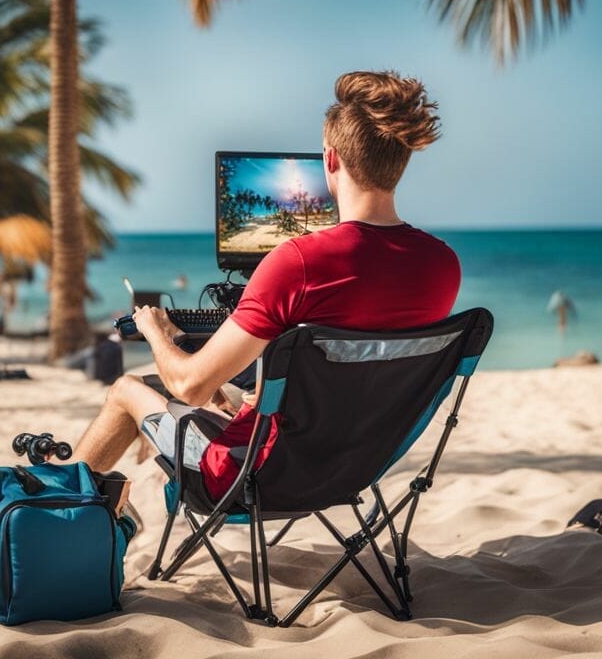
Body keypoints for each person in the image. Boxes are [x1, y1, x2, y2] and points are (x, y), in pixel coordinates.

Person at [64, 71, 462, 502]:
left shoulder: (298, 261)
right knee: (234, 394)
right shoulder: (442, 265)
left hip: (251, 477)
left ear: (330, 160)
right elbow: (361, 366)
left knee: (127, 389)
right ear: (400, 163)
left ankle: (62, 513)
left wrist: (154, 332)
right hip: (356, 470)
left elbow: (189, 387)